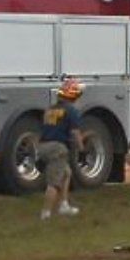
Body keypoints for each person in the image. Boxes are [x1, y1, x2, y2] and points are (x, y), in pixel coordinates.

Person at [38, 78, 85, 220]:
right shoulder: (71, 111)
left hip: (43, 145)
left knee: (66, 173)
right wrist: (82, 149)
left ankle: (64, 205)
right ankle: (45, 214)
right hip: (57, 148)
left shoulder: (50, 109)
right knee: (54, 182)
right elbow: (75, 133)